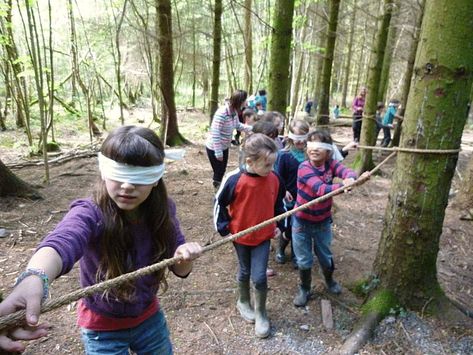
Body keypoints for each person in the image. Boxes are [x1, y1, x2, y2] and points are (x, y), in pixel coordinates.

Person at [0, 126, 202, 354]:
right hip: (101, 327)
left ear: (156, 178)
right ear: (104, 171)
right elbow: (63, 241)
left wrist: (185, 254)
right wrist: (35, 276)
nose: (127, 186)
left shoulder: (163, 210)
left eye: (139, 177)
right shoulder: (90, 212)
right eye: (118, 173)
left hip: (149, 318)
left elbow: (182, 270)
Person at [214, 133, 285, 338]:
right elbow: (220, 204)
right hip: (240, 236)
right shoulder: (235, 180)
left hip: (263, 236)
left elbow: (279, 204)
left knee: (260, 276)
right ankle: (244, 301)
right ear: (250, 162)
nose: (271, 169)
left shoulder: (274, 179)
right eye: (266, 165)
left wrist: (279, 223)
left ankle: (261, 312)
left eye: (273, 164)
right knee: (244, 271)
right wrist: (224, 228)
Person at [292, 130, 370, 307]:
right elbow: (320, 189)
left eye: (320, 147)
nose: (314, 150)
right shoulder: (304, 167)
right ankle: (304, 288)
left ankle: (330, 281)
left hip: (322, 222)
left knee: (325, 256)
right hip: (301, 222)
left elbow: (347, 171)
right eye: (311, 146)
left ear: (329, 151)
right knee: (304, 259)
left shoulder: (331, 164)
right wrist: (343, 185)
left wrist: (352, 179)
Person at [274, 119, 310, 268]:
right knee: (289, 228)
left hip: (305, 198)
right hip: (289, 199)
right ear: (290, 137)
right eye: (297, 138)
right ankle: (281, 248)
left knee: (301, 228)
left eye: (303, 138)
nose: (300, 142)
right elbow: (277, 176)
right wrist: (284, 191)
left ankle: (296, 254)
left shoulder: (310, 155)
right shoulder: (283, 155)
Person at [206, 90, 252, 190]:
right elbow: (215, 132)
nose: (246, 102)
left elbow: (237, 125)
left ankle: (219, 187)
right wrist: (218, 152)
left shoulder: (234, 112)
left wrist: (252, 129)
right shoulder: (222, 113)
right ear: (240, 101)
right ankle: (217, 190)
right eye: (245, 100)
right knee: (219, 171)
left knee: (222, 170)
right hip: (214, 147)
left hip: (225, 146)